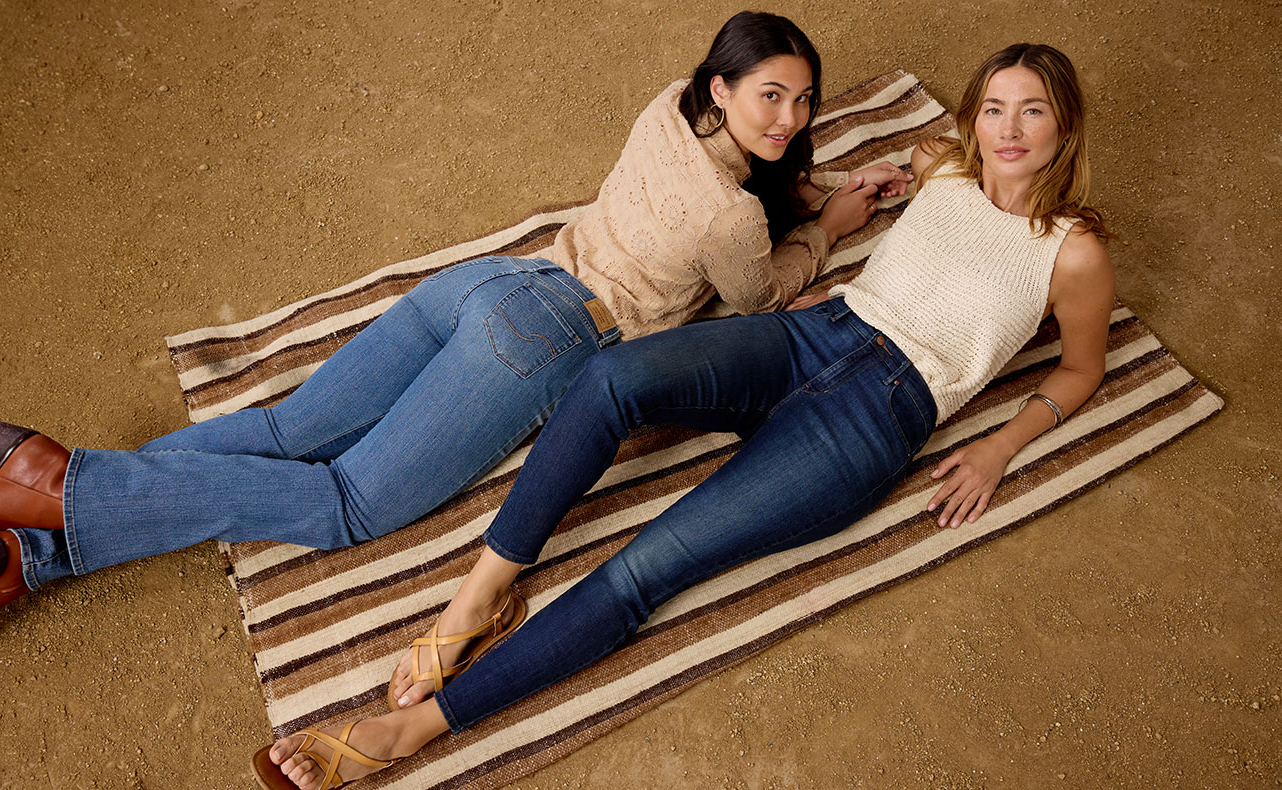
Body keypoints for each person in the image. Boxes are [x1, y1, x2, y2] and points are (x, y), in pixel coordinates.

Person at [0, 11, 909, 661]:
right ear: (723, 91)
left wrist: (807, 186)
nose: (789, 116)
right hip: (549, 337)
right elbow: (758, 295)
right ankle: (63, 483)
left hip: (488, 282)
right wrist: (825, 225)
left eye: (803, 100)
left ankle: (31, 541)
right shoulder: (734, 222)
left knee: (285, 429)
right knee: (347, 500)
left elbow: (739, 188)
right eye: (770, 95)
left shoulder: (666, 110)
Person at [253, 41, 1115, 790]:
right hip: (814, 331)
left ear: (1062, 128)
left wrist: (1002, 446)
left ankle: (414, 728)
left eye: (1030, 112)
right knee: (612, 379)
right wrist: (857, 199)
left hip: (875, 419)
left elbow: (1080, 368)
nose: (1006, 130)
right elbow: (926, 162)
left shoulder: (1072, 251)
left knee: (647, 566)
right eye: (992, 108)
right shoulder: (950, 165)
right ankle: (478, 598)